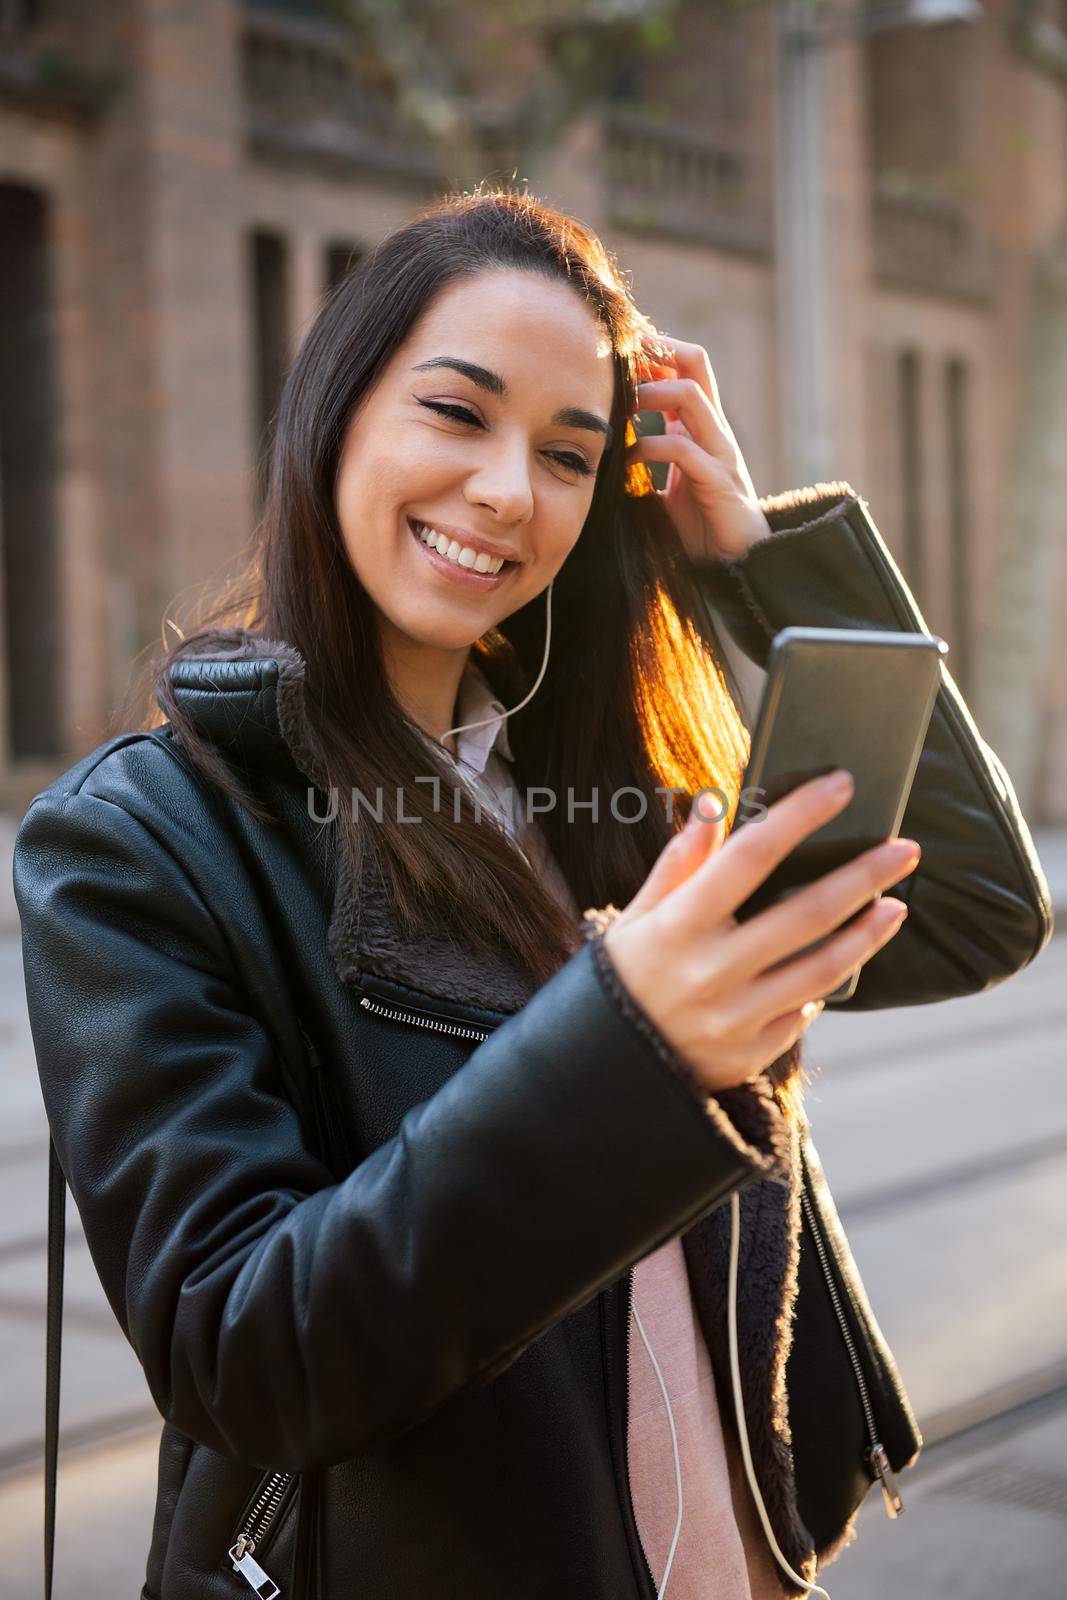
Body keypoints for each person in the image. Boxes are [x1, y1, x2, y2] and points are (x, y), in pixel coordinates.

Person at [13, 188, 1052, 1600]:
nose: (511, 489)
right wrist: (631, 1050)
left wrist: (755, 559)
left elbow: (977, 908)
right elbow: (241, 1353)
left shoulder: (614, 798)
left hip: (722, 1554)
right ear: (335, 417)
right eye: (457, 413)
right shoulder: (144, 839)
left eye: (570, 453)